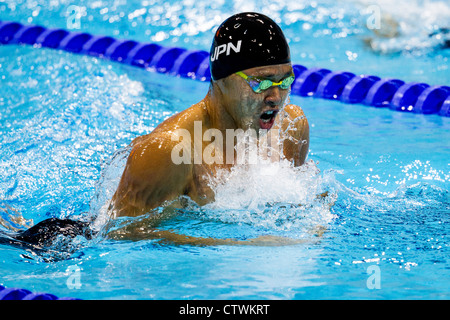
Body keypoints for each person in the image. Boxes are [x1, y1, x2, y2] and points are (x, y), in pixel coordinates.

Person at [5, 12, 311, 247]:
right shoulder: (171, 152)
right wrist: (238, 246)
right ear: (221, 78)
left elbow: (297, 201)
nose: (276, 97)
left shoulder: (290, 130)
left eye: (285, 81)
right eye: (260, 82)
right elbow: (119, 236)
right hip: (74, 243)